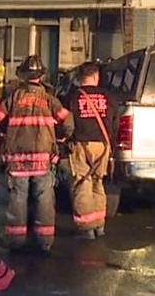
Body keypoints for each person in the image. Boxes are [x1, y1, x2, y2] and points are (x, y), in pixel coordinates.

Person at [0, 55, 74, 253]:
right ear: (41, 76)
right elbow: (68, 123)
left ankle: (16, 240)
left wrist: (0, 138)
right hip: (43, 160)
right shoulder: (50, 100)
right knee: (44, 198)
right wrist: (58, 140)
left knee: (17, 198)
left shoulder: (13, 98)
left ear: (23, 76)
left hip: (17, 160)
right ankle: (44, 241)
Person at [61, 62, 116, 239]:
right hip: (103, 146)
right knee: (98, 183)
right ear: (95, 76)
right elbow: (116, 122)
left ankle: (86, 228)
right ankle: (99, 226)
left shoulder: (72, 97)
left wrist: (63, 139)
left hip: (81, 145)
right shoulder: (108, 96)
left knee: (81, 183)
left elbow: (66, 122)